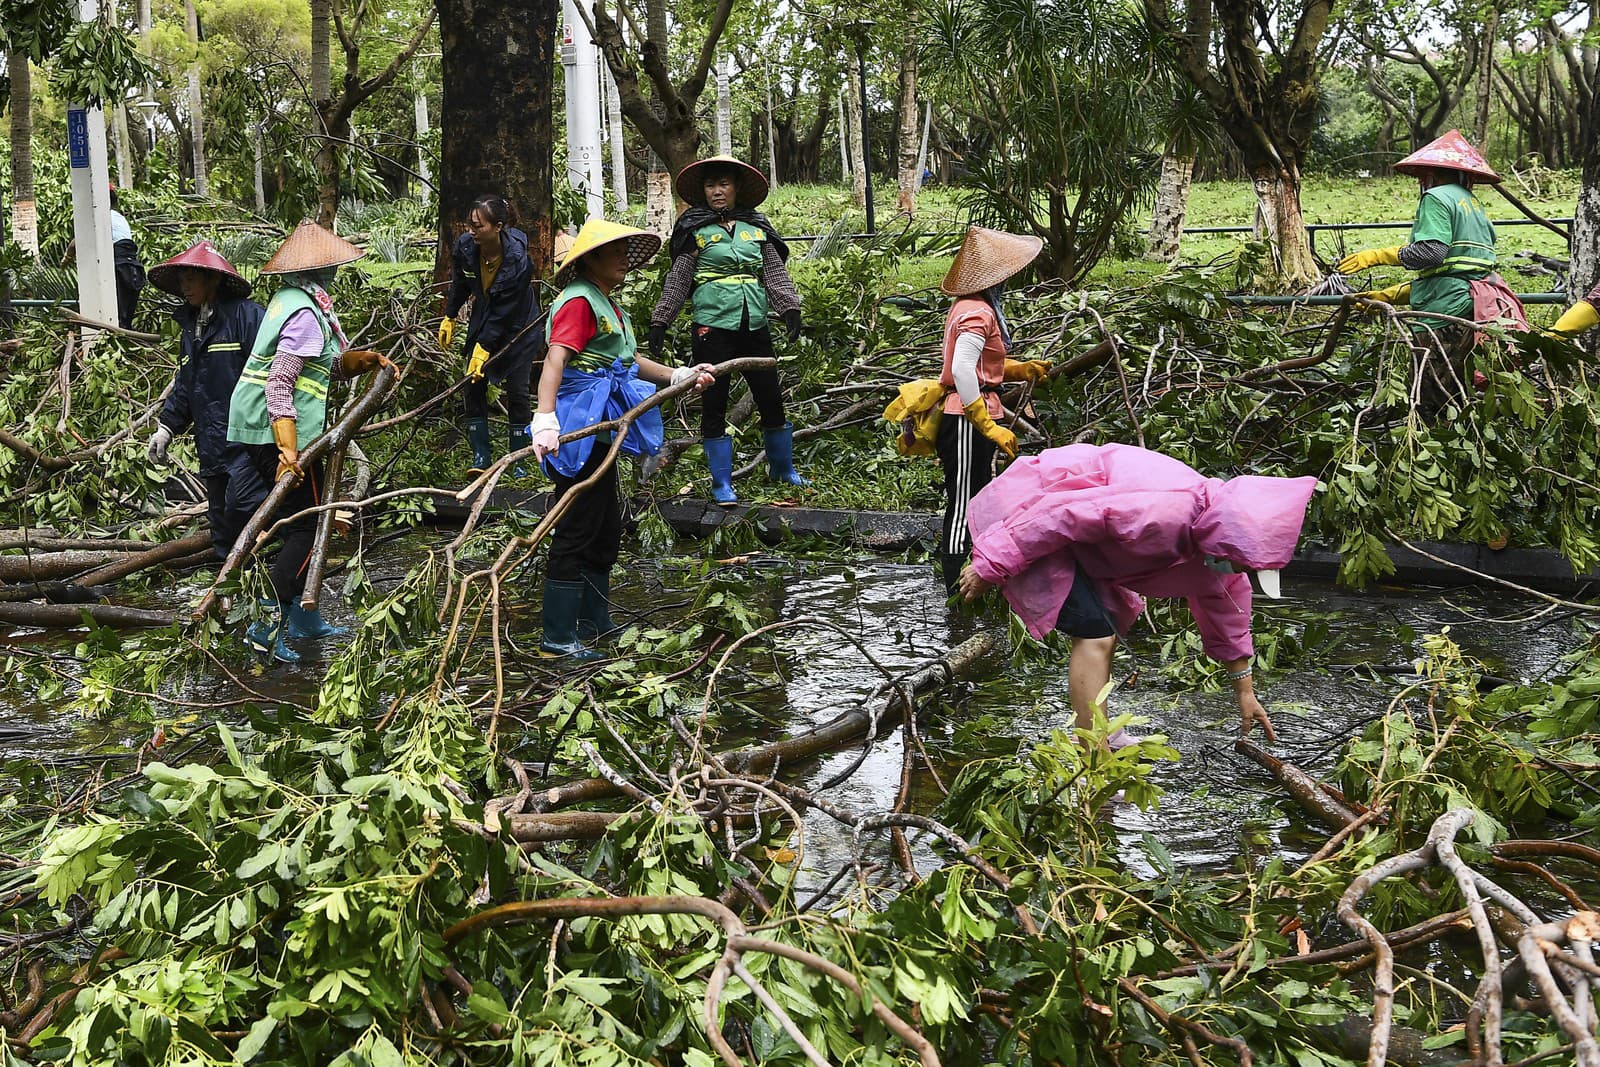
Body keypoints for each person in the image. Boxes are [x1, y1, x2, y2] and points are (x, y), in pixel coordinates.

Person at [957, 443, 1318, 744]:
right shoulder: (1162, 512)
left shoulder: (1217, 544)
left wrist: (1245, 691)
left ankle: (1103, 733)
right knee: (1095, 633)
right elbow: (1062, 514)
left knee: (1107, 627)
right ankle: (1093, 752)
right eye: (1242, 565)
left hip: (1082, 542)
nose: (1240, 572)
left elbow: (1227, 609)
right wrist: (990, 564)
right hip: (1031, 511)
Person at [530, 218, 715, 660]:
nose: (622, 260)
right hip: (581, 422)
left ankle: (595, 621)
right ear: (589, 259)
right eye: (614, 252)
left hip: (608, 422)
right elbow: (555, 360)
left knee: (606, 524)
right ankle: (557, 637)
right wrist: (545, 417)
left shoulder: (607, 304)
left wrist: (678, 375)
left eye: (625, 252)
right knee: (578, 524)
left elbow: (628, 361)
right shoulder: (578, 302)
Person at [225, 221, 392, 663]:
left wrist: (359, 361)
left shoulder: (292, 301)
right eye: (333, 266)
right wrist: (288, 452)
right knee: (307, 529)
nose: (337, 272)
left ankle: (300, 616)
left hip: (264, 428)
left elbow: (320, 368)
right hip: (276, 431)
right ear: (321, 270)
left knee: (304, 524)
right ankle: (268, 624)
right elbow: (279, 384)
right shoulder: (305, 314)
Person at [648, 154, 807, 505]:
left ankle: (782, 468)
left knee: (770, 396)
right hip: (712, 326)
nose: (717, 191)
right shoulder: (694, 229)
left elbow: (773, 272)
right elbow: (679, 279)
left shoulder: (756, 228)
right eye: (710, 185)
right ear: (702, 191)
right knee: (714, 402)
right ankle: (722, 483)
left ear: (736, 189)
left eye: (724, 184)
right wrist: (661, 319)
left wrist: (790, 307)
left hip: (754, 323)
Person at [1337, 130, 1527, 406]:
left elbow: (1432, 254)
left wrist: (1379, 255)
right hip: (1472, 306)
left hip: (1446, 317)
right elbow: (1456, 273)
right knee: (1460, 389)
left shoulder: (1436, 198)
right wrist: (1388, 296)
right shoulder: (1471, 203)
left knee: (1433, 395)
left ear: (1429, 175)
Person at [932, 225, 1050, 593]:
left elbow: (980, 363)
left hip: (977, 409)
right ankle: (954, 590)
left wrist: (1017, 368)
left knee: (980, 495)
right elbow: (963, 369)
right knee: (965, 499)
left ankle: (976, 576)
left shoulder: (971, 306)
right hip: (966, 418)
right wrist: (984, 422)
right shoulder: (978, 313)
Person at [144, 240, 267, 560]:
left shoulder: (248, 318)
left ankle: (269, 581)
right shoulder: (191, 327)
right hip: (211, 443)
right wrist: (166, 428)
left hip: (250, 441)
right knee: (221, 525)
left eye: (191, 280)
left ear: (212, 279)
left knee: (244, 507)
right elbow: (187, 383)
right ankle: (228, 596)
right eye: (181, 281)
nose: (185, 288)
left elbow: (275, 373)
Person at [438, 194, 542, 477]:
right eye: (468, 225)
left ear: (497, 227)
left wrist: (484, 346)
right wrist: (450, 314)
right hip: (486, 319)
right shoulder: (466, 247)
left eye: (477, 226)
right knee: (474, 383)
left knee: (518, 392)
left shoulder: (518, 259)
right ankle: (481, 454)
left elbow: (505, 311)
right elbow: (461, 283)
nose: (471, 231)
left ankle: (518, 458)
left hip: (519, 327)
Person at [109, 185, 147, 330]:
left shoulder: (101, 217)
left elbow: (77, 242)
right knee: (125, 318)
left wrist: (67, 258)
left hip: (119, 266)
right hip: (132, 267)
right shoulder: (120, 219)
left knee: (116, 315)